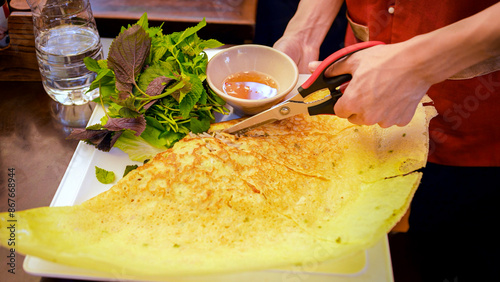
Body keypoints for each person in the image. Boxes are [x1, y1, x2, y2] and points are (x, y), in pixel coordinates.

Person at [273, 1, 500, 281]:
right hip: (360, 86)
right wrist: (305, 31)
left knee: (453, 252)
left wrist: (418, 65)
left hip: (475, 120)